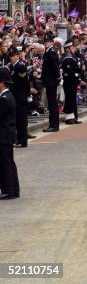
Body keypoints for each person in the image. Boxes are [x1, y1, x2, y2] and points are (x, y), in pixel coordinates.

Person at [0, 67, 19, 200]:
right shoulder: (8, 95)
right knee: (9, 162)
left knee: (5, 163)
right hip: (8, 134)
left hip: (3, 135)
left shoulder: (4, 99)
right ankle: (14, 189)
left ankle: (8, 190)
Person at [7, 47, 30, 147]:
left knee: (21, 120)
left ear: (18, 56)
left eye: (14, 56)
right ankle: (19, 139)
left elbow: (25, 82)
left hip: (20, 97)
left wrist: (27, 94)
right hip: (14, 96)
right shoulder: (11, 67)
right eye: (11, 56)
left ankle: (22, 141)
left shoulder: (20, 67)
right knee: (17, 119)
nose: (12, 58)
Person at [42, 37, 62, 132]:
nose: (46, 43)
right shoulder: (48, 52)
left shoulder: (51, 52)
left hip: (51, 81)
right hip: (49, 81)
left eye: (48, 42)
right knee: (52, 104)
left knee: (52, 104)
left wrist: (56, 79)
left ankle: (54, 125)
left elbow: (55, 67)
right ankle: (53, 125)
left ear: (52, 42)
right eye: (45, 42)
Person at [61, 40, 84, 125]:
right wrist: (78, 80)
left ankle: (72, 117)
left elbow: (77, 70)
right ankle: (68, 118)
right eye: (72, 47)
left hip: (72, 82)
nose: (74, 48)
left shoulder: (72, 59)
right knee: (69, 99)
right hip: (69, 82)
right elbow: (71, 73)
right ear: (67, 49)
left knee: (72, 100)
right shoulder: (67, 60)